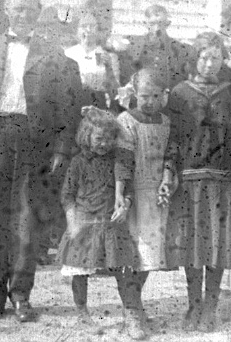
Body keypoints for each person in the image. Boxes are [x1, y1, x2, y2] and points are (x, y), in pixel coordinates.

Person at [0, 0, 86, 323]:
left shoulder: (55, 56)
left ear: (38, 12)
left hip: (33, 141)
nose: (22, 15)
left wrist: (61, 148)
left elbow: (69, 109)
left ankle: (21, 295)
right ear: (7, 12)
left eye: (29, 9)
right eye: (16, 9)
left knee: (26, 223)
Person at [164, 32, 231, 332]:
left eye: (215, 57)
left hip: (222, 179)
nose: (209, 63)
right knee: (192, 245)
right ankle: (193, 304)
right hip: (190, 179)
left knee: (217, 244)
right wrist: (169, 172)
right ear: (194, 58)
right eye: (203, 57)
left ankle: (211, 306)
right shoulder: (180, 93)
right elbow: (172, 138)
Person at [56, 106, 146, 340]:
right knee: (80, 271)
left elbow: (129, 190)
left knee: (122, 270)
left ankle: (131, 314)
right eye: (98, 138)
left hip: (110, 224)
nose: (104, 143)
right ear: (87, 136)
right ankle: (82, 312)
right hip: (85, 223)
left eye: (109, 138)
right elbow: (67, 195)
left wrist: (125, 205)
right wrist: (72, 220)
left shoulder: (118, 162)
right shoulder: (78, 162)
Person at [114, 68, 175, 325]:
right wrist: (120, 193)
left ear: (163, 95)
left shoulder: (166, 122)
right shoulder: (126, 121)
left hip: (156, 195)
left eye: (154, 96)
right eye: (143, 96)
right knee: (129, 255)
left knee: (148, 256)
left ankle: (134, 305)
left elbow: (171, 155)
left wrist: (167, 178)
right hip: (132, 193)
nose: (148, 101)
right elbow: (123, 162)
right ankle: (132, 310)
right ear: (134, 94)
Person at [124, 5, 196, 92]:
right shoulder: (134, 46)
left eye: (160, 23)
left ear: (167, 24)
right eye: (152, 24)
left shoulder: (180, 49)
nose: (157, 28)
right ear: (145, 24)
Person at [64, 12, 122, 111]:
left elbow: (115, 94)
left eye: (92, 26)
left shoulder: (109, 56)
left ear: (99, 31)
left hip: (98, 106)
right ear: (76, 30)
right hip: (73, 105)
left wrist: (109, 69)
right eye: (83, 26)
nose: (88, 30)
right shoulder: (68, 54)